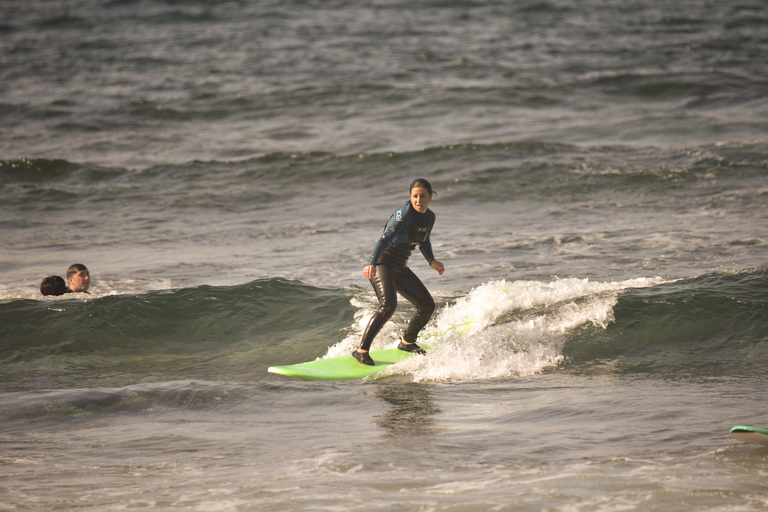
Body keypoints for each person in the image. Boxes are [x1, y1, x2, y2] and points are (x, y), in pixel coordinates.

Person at [352, 178, 445, 365]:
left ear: (431, 197)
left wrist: (431, 260)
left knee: (427, 305)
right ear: (410, 197)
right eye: (415, 196)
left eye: (423, 196)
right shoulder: (403, 215)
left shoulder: (430, 217)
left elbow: (424, 241)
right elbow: (383, 239)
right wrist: (371, 263)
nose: (418, 200)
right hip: (382, 264)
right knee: (388, 305)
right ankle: (361, 350)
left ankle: (407, 342)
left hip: (399, 267)